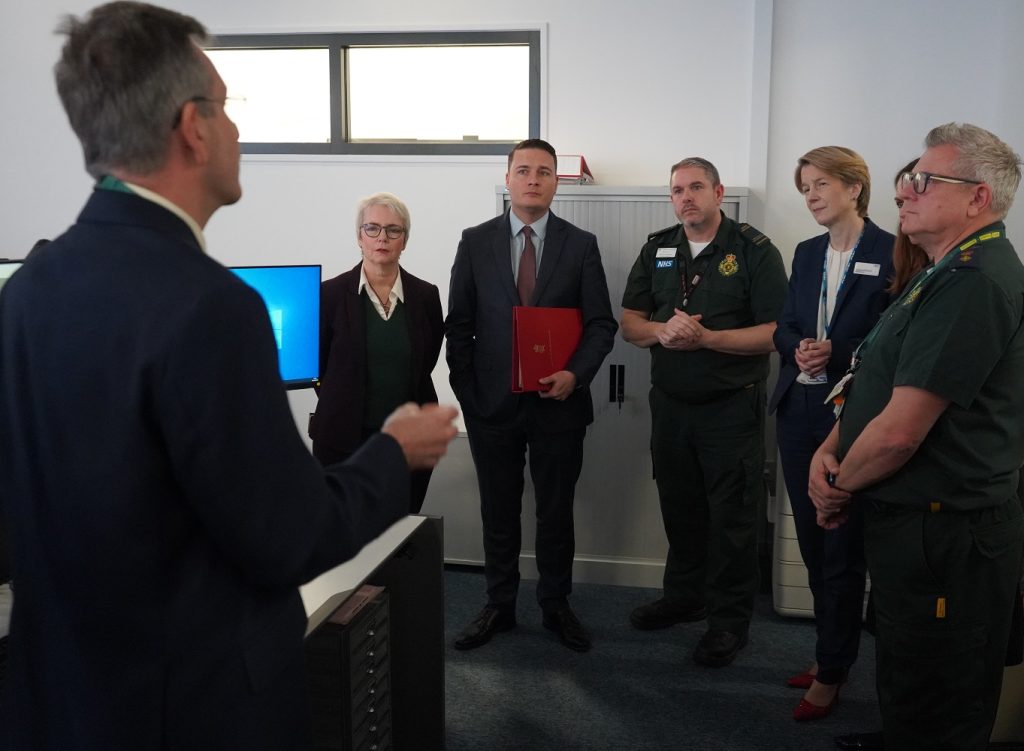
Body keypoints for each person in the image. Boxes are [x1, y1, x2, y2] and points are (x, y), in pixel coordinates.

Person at [0, 3, 458, 749]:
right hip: (188, 708)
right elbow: (291, 537)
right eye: (229, 108)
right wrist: (394, 449)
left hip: (56, 700)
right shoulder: (211, 307)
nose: (238, 131)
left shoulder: (27, 289)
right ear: (193, 125)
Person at [810, 122, 1024, 751]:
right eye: (907, 179)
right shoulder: (940, 271)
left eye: (923, 181)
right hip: (917, 522)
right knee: (910, 664)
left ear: (977, 198)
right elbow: (874, 375)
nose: (903, 192)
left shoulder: (972, 280)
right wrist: (831, 446)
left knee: (944, 687)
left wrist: (836, 487)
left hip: (949, 532)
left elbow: (902, 432)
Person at [445, 138, 616, 653]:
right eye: (524, 170)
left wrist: (576, 375)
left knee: (555, 512)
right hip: (491, 409)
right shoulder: (474, 242)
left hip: (558, 405)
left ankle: (555, 604)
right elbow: (460, 327)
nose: (534, 179)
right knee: (498, 511)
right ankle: (498, 604)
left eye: (544, 171)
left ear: (555, 180)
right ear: (509, 177)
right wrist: (469, 397)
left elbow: (601, 324)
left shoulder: (580, 244)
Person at [621, 157, 788, 667]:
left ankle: (729, 623)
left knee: (733, 520)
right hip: (671, 407)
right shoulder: (658, 249)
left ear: (718, 192)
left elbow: (777, 331)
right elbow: (630, 322)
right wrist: (662, 332)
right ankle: (685, 598)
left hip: (730, 409)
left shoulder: (754, 251)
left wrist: (707, 338)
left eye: (696, 187)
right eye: (677, 189)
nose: (686, 196)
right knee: (680, 508)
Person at [768, 146, 894, 720]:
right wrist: (797, 347)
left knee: (842, 544)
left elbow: (893, 340)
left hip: (854, 418)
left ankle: (835, 670)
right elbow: (787, 322)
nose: (812, 196)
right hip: (800, 410)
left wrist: (836, 350)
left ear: (854, 187)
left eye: (820, 184)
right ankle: (827, 655)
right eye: (805, 188)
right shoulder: (806, 252)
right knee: (815, 545)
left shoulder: (893, 252)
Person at [310, 192, 444, 513]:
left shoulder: (426, 296)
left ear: (404, 241)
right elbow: (321, 367)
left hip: (408, 440)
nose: (382, 238)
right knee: (346, 532)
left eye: (393, 230)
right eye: (372, 229)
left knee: (400, 530)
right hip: (342, 440)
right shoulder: (328, 295)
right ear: (359, 237)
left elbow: (427, 360)